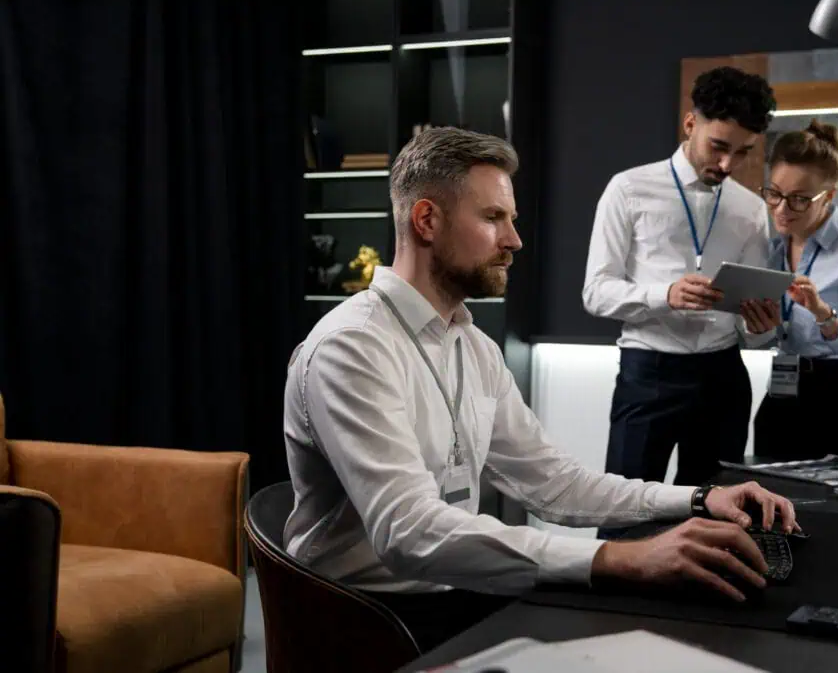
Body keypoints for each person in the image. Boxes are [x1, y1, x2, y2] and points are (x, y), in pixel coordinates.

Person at [282, 126, 801, 654]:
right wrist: (621, 559)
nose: (514, 240)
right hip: (365, 620)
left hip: (450, 593)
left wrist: (696, 498)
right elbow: (410, 533)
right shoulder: (352, 347)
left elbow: (555, 484)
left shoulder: (473, 346)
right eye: (492, 219)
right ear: (427, 220)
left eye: (513, 220)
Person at [582, 66, 780, 536]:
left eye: (743, 152)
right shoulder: (628, 189)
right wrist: (664, 295)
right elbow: (596, 291)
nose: (729, 164)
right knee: (624, 515)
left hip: (723, 378)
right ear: (690, 124)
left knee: (721, 523)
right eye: (719, 146)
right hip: (648, 373)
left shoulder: (750, 210)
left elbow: (757, 334)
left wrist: (762, 324)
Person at [746, 119, 838, 461]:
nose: (781, 209)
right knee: (771, 508)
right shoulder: (772, 250)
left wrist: (822, 313)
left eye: (799, 199)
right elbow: (770, 333)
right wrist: (758, 327)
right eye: (775, 193)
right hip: (783, 392)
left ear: (830, 195)